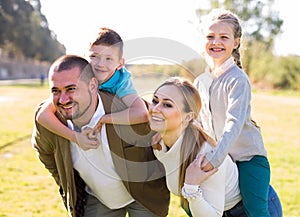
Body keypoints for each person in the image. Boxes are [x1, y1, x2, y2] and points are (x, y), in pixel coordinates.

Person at [32, 54, 170, 217]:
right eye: (56, 91)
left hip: (144, 197)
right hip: (97, 199)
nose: (63, 99)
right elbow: (45, 153)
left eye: (71, 89)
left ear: (92, 85)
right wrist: (67, 183)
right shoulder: (51, 124)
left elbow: (167, 131)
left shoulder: (126, 112)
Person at [149, 77, 282, 217]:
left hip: (248, 211)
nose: (155, 109)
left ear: (188, 117)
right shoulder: (159, 145)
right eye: (155, 101)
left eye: (167, 105)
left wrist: (191, 187)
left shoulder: (206, 155)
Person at [193, 9, 274, 217]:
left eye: (224, 37)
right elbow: (196, 123)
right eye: (210, 36)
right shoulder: (200, 82)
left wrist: (214, 160)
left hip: (247, 159)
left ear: (236, 42)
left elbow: (234, 125)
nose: (216, 42)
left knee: (256, 212)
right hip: (217, 158)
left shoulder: (238, 80)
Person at [35, 27, 148, 150]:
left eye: (108, 58)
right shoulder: (82, 74)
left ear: (120, 63)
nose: (100, 64)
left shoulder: (121, 82)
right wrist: (74, 137)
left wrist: (105, 118)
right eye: (94, 56)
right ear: (85, 57)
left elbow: (141, 113)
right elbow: (42, 116)